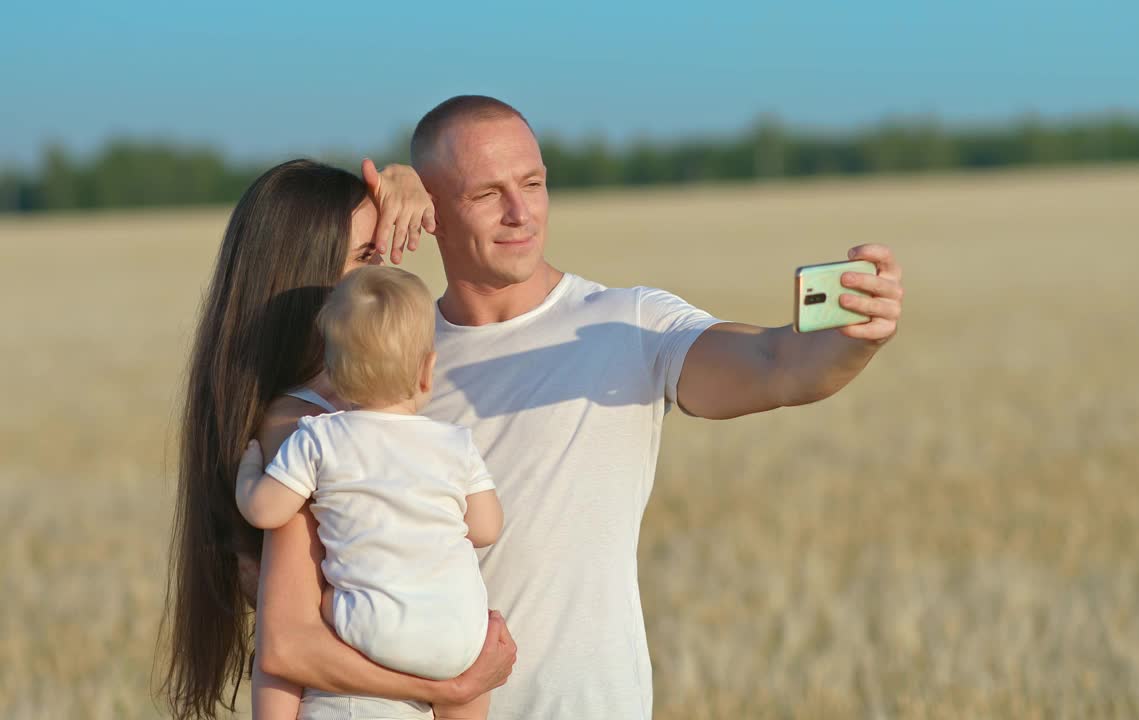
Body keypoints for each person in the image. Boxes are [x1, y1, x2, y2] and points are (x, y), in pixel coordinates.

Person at [256, 96, 905, 720]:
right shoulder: (389, 361)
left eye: (533, 183)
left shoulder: (629, 325)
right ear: (434, 213)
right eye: (487, 194)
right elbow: (293, 568)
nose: (521, 212)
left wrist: (852, 341)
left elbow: (779, 366)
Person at [162, 159, 516, 720]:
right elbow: (288, 643)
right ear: (307, 273)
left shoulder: (338, 420)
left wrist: (413, 182)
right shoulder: (299, 432)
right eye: (367, 256)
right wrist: (454, 689)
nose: (386, 277)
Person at [235, 265, 504, 720]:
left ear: (335, 377)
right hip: (457, 639)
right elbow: (486, 527)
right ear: (427, 371)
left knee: (283, 645)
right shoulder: (455, 443)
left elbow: (264, 511)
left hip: (370, 630)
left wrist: (251, 467)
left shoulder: (318, 438)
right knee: (478, 659)